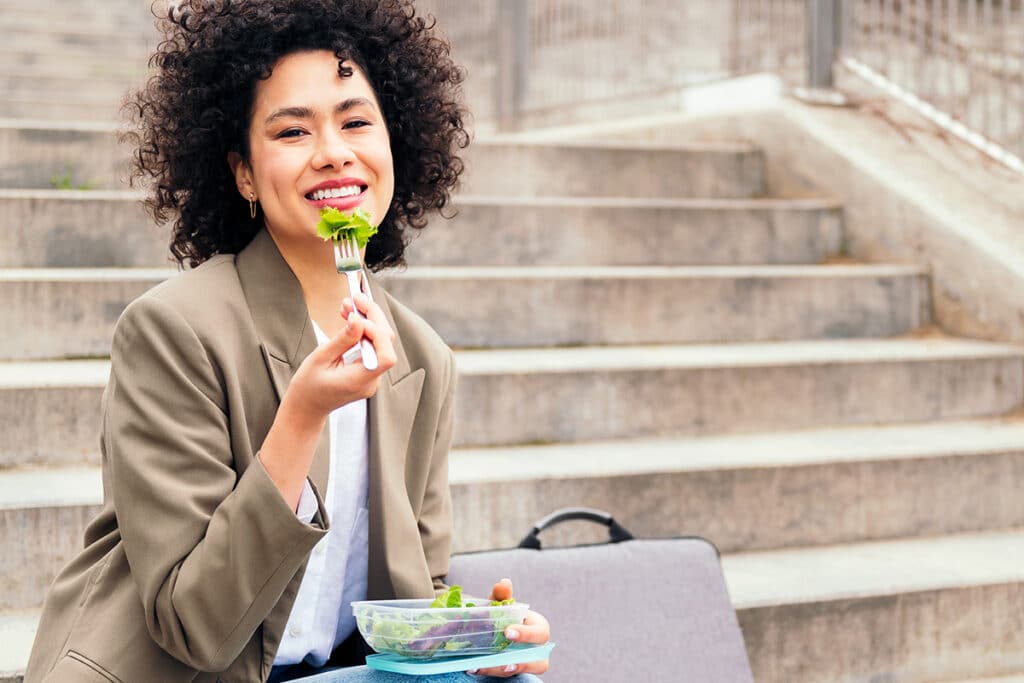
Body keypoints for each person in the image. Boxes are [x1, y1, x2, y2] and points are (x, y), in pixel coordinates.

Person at [24, 1, 550, 681]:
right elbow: (196, 625)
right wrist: (300, 418)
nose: (334, 152)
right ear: (243, 172)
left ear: (398, 143)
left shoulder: (423, 359)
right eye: (293, 131)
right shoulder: (173, 331)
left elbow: (406, 594)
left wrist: (476, 634)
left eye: (356, 121)